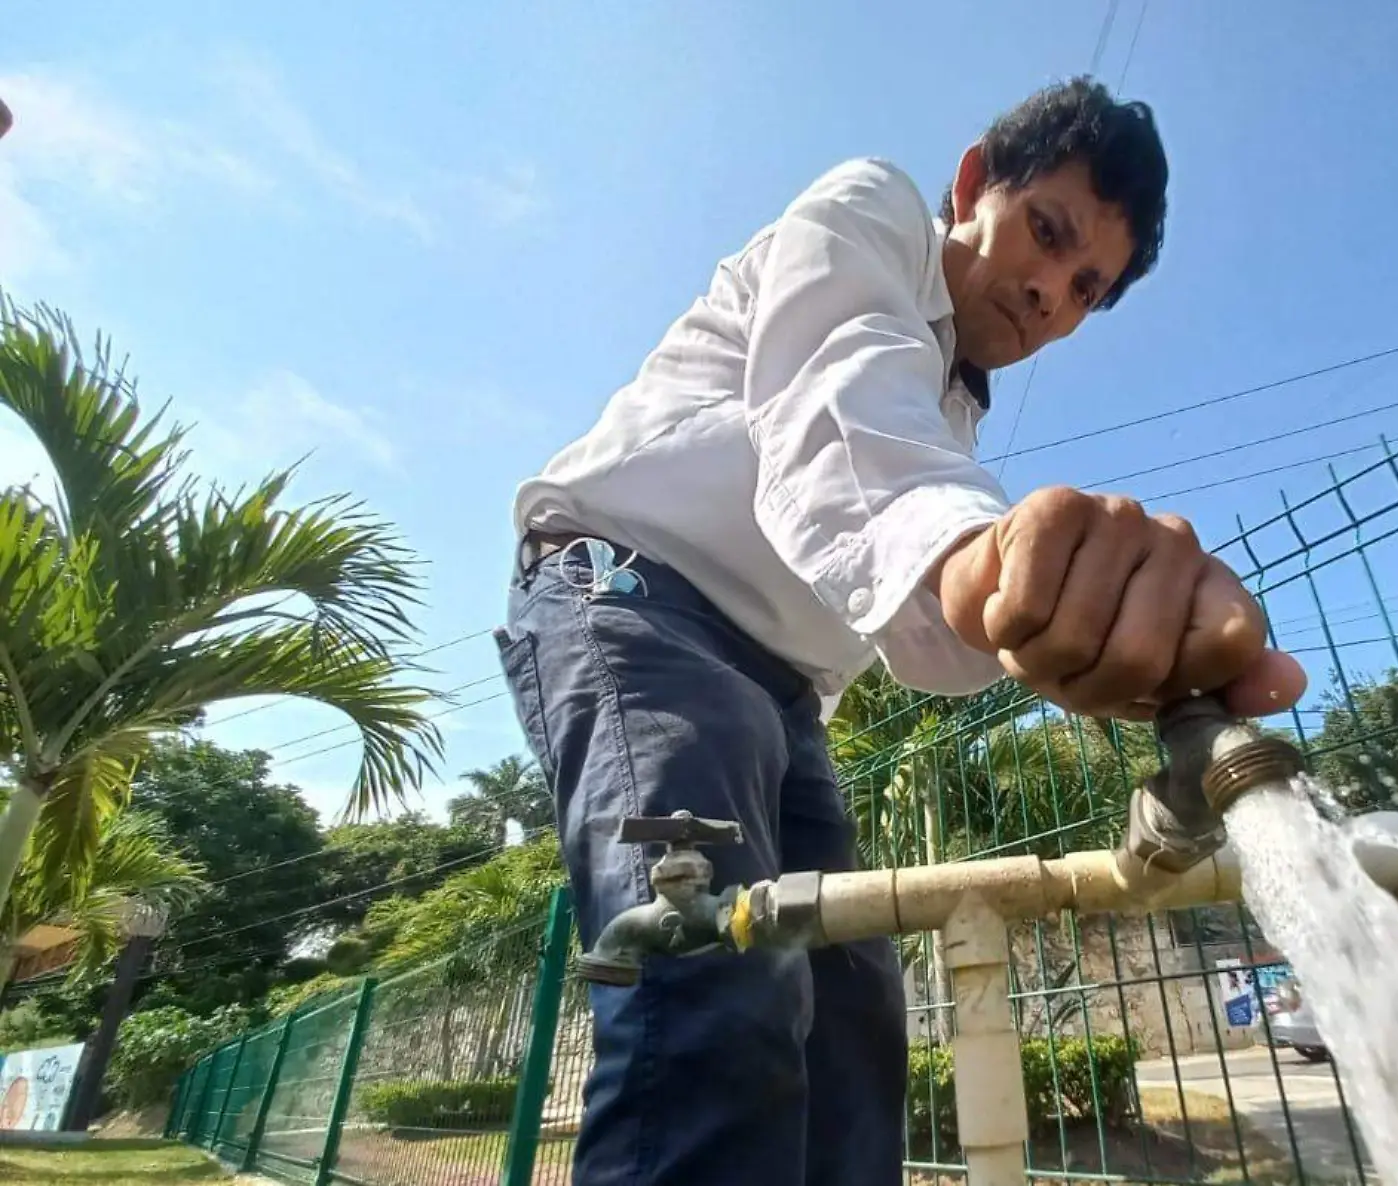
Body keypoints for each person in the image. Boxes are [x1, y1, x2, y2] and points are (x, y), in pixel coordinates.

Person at [497, 77, 1307, 1186]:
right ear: (974, 184)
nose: (1047, 294)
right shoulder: (869, 214)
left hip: (787, 696)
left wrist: (1039, 625)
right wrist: (994, 562)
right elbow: (844, 402)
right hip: (635, 601)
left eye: (1084, 288)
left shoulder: (954, 417)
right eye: (1047, 231)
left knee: (853, 1022)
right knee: (711, 980)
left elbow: (931, 638)